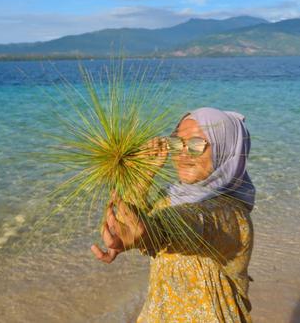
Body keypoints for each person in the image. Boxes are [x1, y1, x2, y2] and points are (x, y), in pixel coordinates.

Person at [91, 107, 255, 322]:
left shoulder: (232, 214)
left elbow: (191, 224)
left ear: (225, 150)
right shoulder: (169, 197)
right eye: (178, 143)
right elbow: (142, 222)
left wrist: (150, 233)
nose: (183, 154)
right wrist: (142, 178)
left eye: (197, 144)